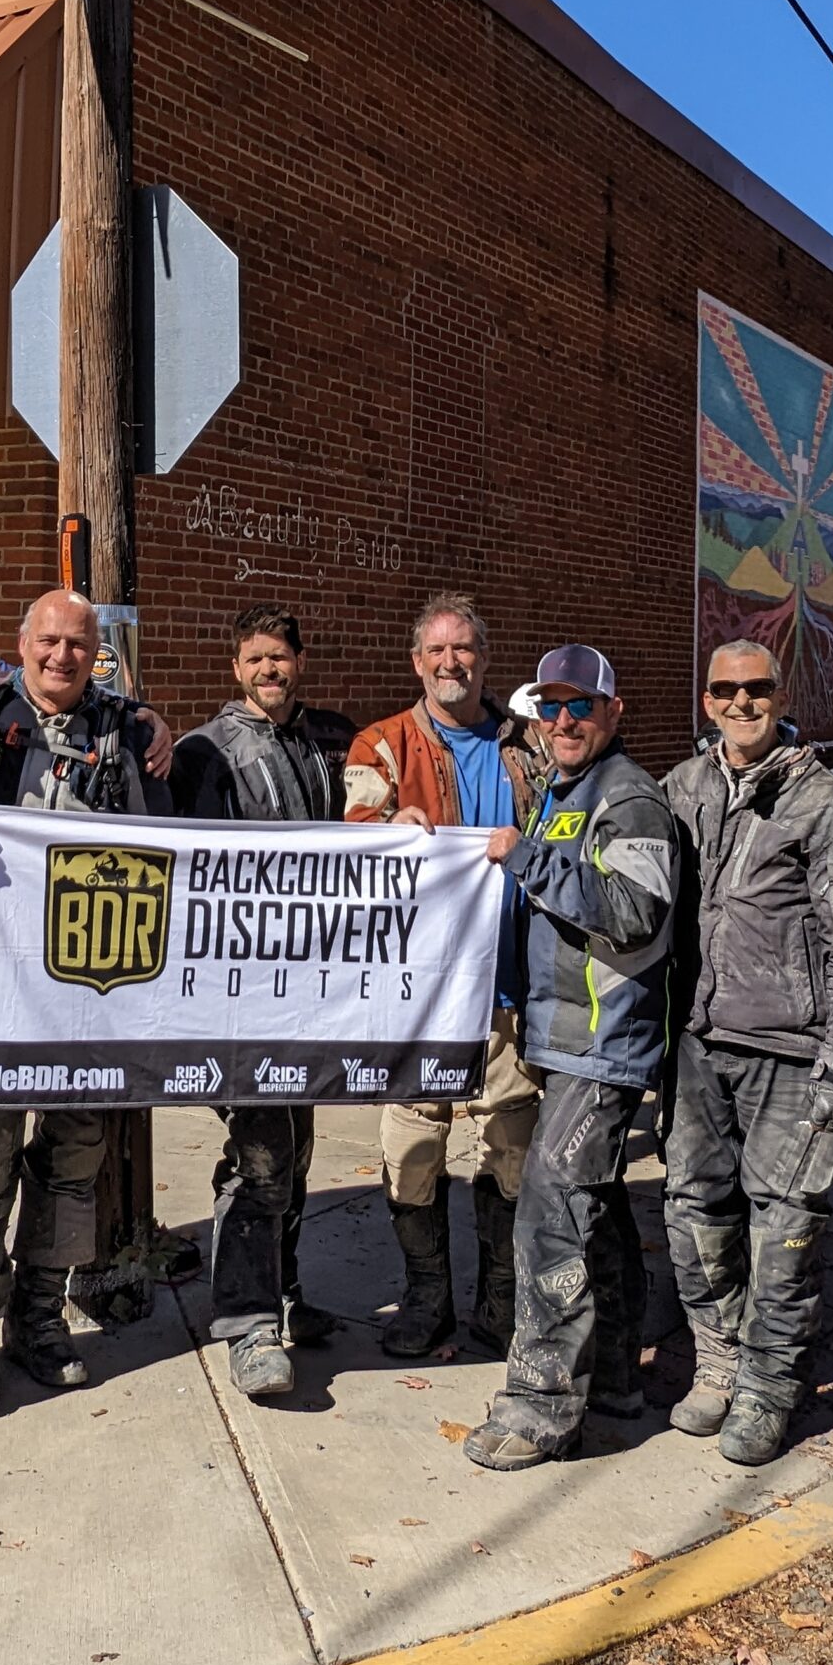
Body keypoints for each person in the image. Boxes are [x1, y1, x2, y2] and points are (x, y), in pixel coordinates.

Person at [0, 590, 172, 1415]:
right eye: (49, 641)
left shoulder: (123, 731)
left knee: (72, 1162)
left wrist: (153, 724)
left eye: (79, 646)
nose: (62, 656)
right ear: (21, 643)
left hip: (85, 990)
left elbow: (156, 847)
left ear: (97, 655)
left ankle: (38, 1318)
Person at [661, 640, 833, 1466]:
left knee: (785, 1225)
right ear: (707, 699)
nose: (741, 703)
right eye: (725, 690)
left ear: (781, 694)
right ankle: (718, 1359)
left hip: (790, 1050)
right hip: (695, 1042)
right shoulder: (682, 789)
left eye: (756, 688)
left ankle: (767, 1385)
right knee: (693, 1212)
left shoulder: (829, 806)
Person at [463, 644, 678, 1471]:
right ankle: (615, 1376)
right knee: (595, 1207)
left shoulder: (629, 799)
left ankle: (542, 1406)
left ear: (612, 712)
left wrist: (526, 858)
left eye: (579, 705)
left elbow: (633, 911)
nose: (562, 720)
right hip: (563, 1039)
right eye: (549, 706)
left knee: (550, 1215)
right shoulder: (563, 792)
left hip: (603, 1044)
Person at [344, 594, 542, 1358]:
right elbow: (351, 833)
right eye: (437, 650)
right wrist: (384, 831)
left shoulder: (529, 744)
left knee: (511, 1146)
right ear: (416, 662)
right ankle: (426, 1299)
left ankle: (500, 1301)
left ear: (484, 660)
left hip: (508, 986)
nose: (450, 662)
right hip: (420, 996)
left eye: (463, 649)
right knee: (414, 1145)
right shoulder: (383, 744)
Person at [171, 606, 357, 1400]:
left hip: (308, 991)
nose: (268, 670)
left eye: (279, 657)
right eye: (254, 659)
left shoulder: (325, 744)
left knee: (297, 1147)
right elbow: (190, 872)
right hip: (239, 996)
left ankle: (281, 1292)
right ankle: (246, 1323)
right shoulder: (205, 752)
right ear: (235, 668)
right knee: (261, 1155)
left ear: (299, 662)